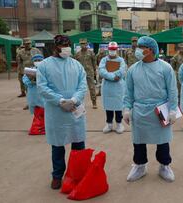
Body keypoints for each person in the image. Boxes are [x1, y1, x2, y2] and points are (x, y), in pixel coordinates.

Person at [123, 36, 178, 182]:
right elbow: (128, 91)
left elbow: (172, 91)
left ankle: (164, 165)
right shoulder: (133, 70)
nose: (138, 50)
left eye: (142, 47)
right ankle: (140, 165)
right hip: (140, 110)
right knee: (139, 140)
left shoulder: (165, 68)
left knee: (163, 140)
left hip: (160, 108)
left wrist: (172, 110)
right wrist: (126, 109)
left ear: (151, 50)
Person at [36, 35, 88, 189]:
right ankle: (57, 175)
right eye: (63, 46)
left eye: (68, 45)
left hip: (75, 109)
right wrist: (60, 101)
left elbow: (82, 85)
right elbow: (42, 87)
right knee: (57, 145)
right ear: (55, 47)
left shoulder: (77, 65)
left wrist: (74, 100)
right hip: (56, 111)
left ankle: (77, 173)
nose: (66, 48)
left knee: (78, 143)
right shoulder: (45, 65)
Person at [99, 42, 127, 134]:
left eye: (114, 49)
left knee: (118, 106)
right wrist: (112, 77)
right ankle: (109, 124)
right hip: (108, 87)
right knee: (109, 106)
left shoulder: (121, 60)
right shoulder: (104, 60)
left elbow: (122, 70)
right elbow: (101, 71)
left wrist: (117, 75)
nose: (112, 51)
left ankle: (119, 124)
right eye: (111, 49)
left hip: (118, 87)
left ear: (117, 49)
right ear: (108, 49)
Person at [74, 38, 97, 109]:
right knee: (79, 89)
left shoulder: (91, 53)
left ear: (87, 44)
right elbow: (75, 64)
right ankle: (78, 103)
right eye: (81, 44)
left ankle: (94, 102)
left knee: (92, 88)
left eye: (84, 43)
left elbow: (94, 62)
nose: (83, 45)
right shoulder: (77, 54)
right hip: (80, 74)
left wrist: (95, 71)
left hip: (90, 72)